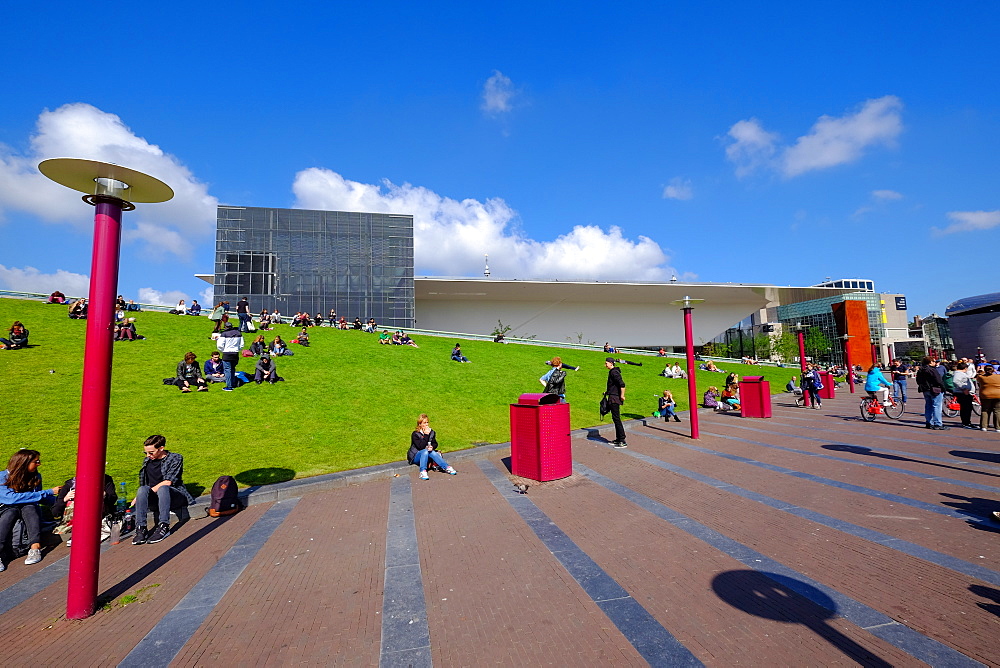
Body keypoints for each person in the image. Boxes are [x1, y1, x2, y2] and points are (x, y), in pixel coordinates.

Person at [0, 450, 59, 570]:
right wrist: (48, 492)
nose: (39, 464)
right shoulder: (2, 477)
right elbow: (10, 499)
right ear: (23, 463)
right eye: (36, 461)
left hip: (28, 510)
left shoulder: (36, 477)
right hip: (5, 509)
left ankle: (35, 548)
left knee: (30, 506)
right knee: (11, 511)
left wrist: (63, 501)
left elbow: (38, 497)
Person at [131, 435, 195, 545]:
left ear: (161, 448)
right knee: (142, 489)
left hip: (173, 496)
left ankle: (164, 526)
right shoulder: (147, 461)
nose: (148, 455)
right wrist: (140, 495)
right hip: (156, 498)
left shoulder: (176, 458)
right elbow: (145, 485)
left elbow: (168, 481)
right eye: (146, 453)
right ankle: (141, 528)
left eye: (151, 452)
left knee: (163, 488)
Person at [51, 473, 118, 545]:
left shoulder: (105, 480)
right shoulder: (69, 485)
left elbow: (112, 500)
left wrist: (104, 495)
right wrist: (65, 499)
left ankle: (86, 533)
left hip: (97, 518)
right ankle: (80, 533)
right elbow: (55, 512)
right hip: (72, 523)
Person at [406, 414, 457, 480]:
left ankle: (447, 467)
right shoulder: (415, 434)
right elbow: (420, 447)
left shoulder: (432, 432)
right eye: (424, 423)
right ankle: (422, 472)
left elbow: (435, 443)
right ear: (420, 424)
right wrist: (426, 435)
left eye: (427, 422)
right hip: (415, 456)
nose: (426, 424)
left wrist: (432, 447)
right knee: (424, 451)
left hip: (427, 454)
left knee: (431, 452)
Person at [916, 356, 947, 430]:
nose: (935, 363)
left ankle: (929, 422)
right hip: (935, 389)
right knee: (937, 406)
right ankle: (938, 423)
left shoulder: (921, 370)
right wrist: (943, 388)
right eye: (933, 361)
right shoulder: (932, 370)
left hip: (925, 389)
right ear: (930, 362)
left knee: (928, 405)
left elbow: (918, 380)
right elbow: (938, 380)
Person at [604, 357, 627, 447]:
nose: (605, 365)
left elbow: (622, 384)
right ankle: (618, 439)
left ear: (611, 363)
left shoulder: (614, 372)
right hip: (612, 396)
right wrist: (607, 392)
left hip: (615, 398)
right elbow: (614, 385)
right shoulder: (613, 372)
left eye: (606, 363)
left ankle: (622, 440)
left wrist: (622, 395)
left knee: (616, 418)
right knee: (615, 418)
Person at [216, 323, 244, 391]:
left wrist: (223, 350)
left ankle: (229, 386)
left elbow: (220, 345)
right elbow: (242, 345)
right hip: (235, 353)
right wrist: (237, 349)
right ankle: (233, 383)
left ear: (225, 327)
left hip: (227, 353)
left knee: (227, 370)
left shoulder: (224, 334)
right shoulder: (238, 333)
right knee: (233, 368)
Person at [951, 362, 978, 429]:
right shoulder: (959, 374)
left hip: (965, 393)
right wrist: (963, 389)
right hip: (962, 393)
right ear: (965, 368)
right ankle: (966, 423)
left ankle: (967, 422)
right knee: (966, 408)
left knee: (967, 408)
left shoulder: (961, 374)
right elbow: (956, 381)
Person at [976, 364, 1000, 432]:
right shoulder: (998, 377)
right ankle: (998, 427)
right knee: (997, 411)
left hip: (985, 395)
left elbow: (978, 376)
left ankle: (984, 426)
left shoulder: (982, 377)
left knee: (985, 410)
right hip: (998, 395)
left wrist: (981, 371)